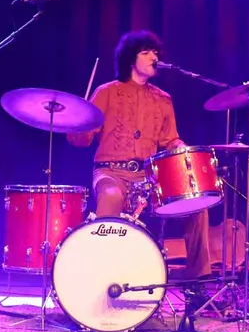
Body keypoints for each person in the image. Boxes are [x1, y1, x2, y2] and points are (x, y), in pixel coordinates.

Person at [68, 31, 212, 304]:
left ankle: (198, 283)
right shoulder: (106, 92)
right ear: (130, 58)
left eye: (155, 52)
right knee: (111, 196)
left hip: (149, 177)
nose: (153, 57)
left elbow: (170, 139)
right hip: (110, 172)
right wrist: (76, 125)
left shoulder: (163, 99)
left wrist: (179, 146)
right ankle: (98, 277)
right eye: (146, 52)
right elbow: (83, 138)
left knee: (197, 205)